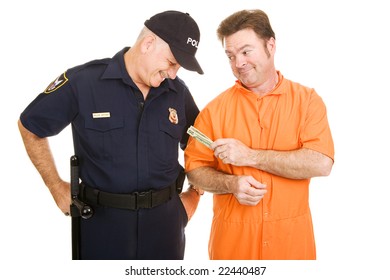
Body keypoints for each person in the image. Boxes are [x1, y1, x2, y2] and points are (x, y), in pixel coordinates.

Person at [18, 10, 204, 260]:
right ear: (148, 43)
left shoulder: (178, 93)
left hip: (166, 227)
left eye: (179, 68)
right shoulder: (84, 82)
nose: (172, 74)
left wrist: (195, 194)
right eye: (171, 63)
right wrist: (55, 187)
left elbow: (200, 146)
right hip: (102, 226)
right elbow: (30, 125)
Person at [184, 9, 335, 260]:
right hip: (233, 253)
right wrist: (230, 184)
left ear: (270, 45)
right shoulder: (214, 111)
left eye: (245, 51)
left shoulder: (307, 101)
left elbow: (321, 163)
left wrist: (250, 157)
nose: (238, 63)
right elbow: (194, 171)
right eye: (230, 56)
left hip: (291, 249)